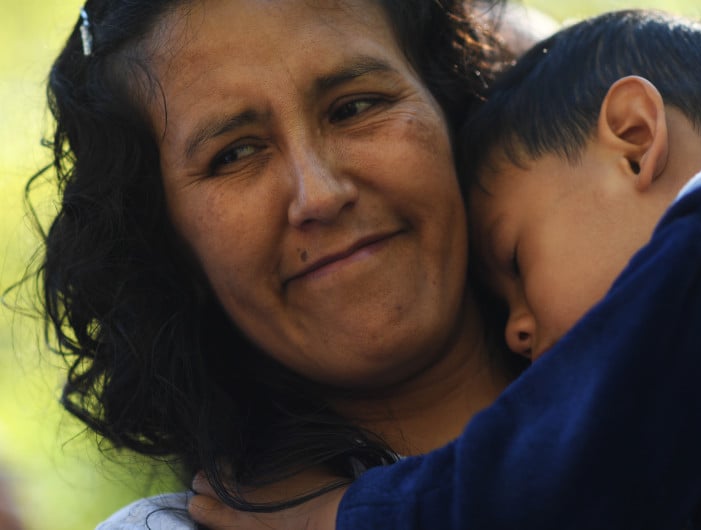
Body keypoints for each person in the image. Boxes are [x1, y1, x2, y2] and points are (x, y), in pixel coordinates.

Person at [189, 9, 701, 530]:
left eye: (516, 259)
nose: (517, 329)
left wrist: (338, 517)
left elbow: (560, 477)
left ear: (636, 140)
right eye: (234, 154)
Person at [38, 1, 543, 528]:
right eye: (235, 154)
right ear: (168, 246)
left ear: (451, 103)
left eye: (354, 107)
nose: (320, 195)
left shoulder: (634, 361)